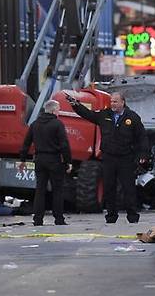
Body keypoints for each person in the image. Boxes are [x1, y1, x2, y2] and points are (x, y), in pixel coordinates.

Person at [65, 91, 147, 223]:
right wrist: (76, 105)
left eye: (115, 101)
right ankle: (111, 215)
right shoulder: (104, 114)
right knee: (109, 187)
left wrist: (143, 154)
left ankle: (132, 216)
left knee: (128, 188)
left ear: (122, 102)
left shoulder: (132, 117)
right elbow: (88, 114)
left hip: (125, 157)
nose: (112, 104)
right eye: (111, 101)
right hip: (108, 157)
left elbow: (141, 137)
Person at [20, 100, 72, 226]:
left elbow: (26, 143)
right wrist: (68, 162)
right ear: (54, 110)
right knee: (57, 190)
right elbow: (64, 145)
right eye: (58, 109)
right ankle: (58, 219)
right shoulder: (57, 124)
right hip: (54, 160)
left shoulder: (35, 124)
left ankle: (38, 219)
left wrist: (22, 159)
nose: (59, 112)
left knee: (40, 190)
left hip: (39, 160)